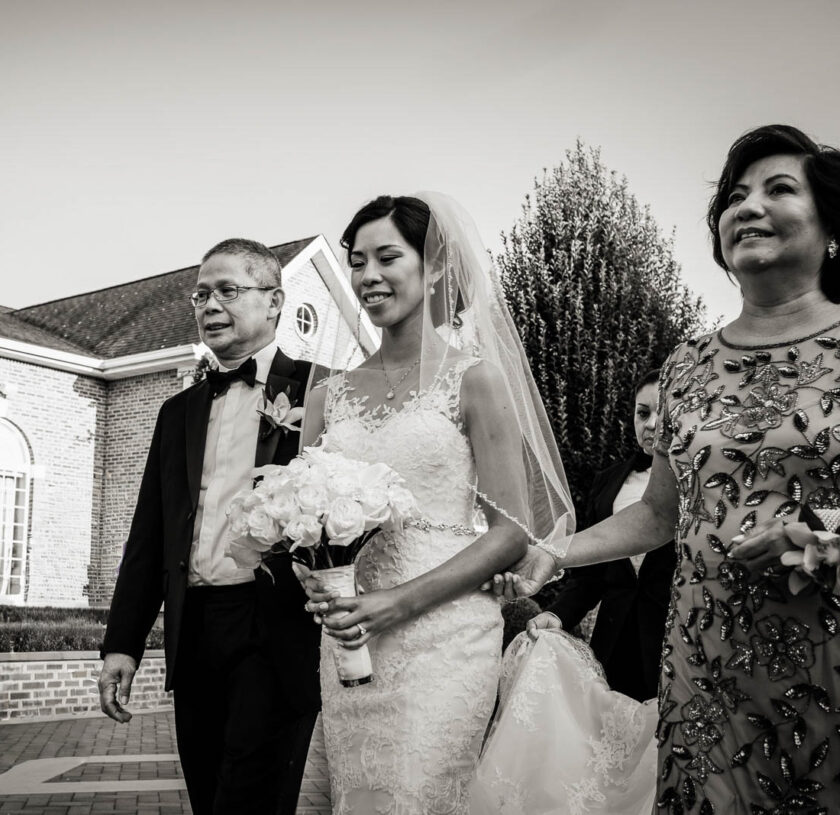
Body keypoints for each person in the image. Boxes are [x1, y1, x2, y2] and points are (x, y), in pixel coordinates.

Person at [482, 124, 840, 814]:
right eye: (734, 196)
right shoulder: (685, 366)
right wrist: (552, 549)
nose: (746, 206)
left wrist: (826, 532)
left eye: (778, 189)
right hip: (705, 661)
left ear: (833, 230)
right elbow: (659, 514)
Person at [299, 193, 575, 814]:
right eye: (357, 261)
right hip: (349, 636)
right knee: (360, 792)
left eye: (387, 257)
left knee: (419, 794)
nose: (368, 276)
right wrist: (310, 576)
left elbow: (510, 533)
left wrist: (395, 604)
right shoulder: (326, 396)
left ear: (435, 268)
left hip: (444, 637)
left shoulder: (475, 379)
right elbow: (305, 523)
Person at [97, 238, 320, 814]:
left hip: (273, 625)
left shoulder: (322, 391)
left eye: (228, 290)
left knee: (248, 796)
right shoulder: (178, 412)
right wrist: (122, 643)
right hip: (193, 629)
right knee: (205, 788)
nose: (209, 304)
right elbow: (150, 534)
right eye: (201, 293)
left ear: (274, 302)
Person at [534, 368, 676, 702]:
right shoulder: (608, 483)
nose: (652, 424)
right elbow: (590, 577)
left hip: (675, 652)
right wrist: (556, 614)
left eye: (664, 413)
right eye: (643, 413)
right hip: (613, 647)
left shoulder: (699, 485)